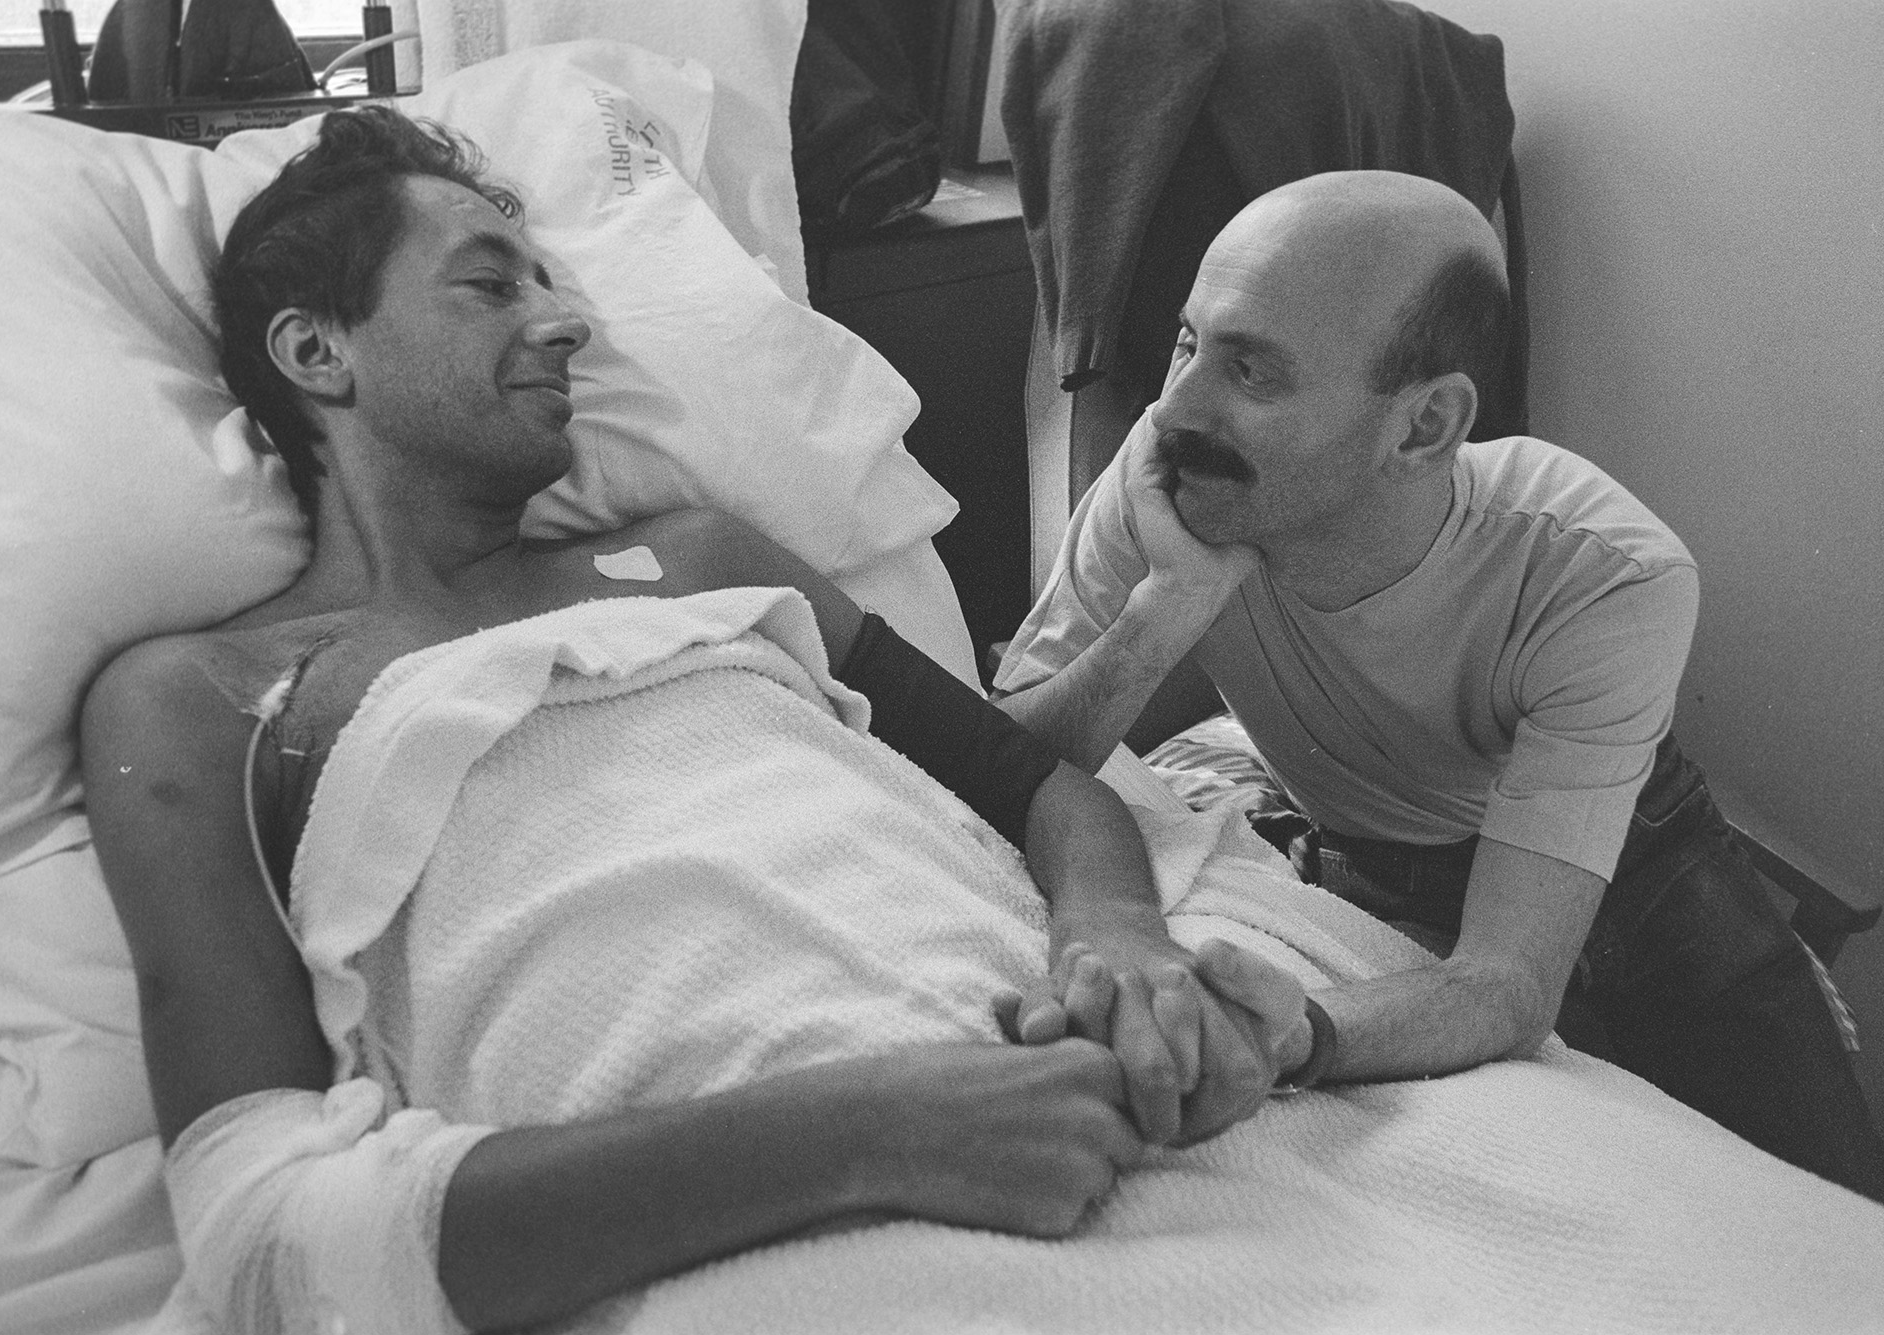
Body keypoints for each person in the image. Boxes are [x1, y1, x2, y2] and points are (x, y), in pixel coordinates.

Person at [78, 107, 1317, 1333]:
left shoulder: (702, 558)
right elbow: (261, 1239)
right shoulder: (208, 700)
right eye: (487, 287)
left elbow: (1035, 785)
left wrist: (1118, 941)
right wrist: (871, 1131)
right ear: (315, 353)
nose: (564, 322)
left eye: (551, 285)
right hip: (791, 1224)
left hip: (1096, 1096)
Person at [993, 169, 1884, 1200]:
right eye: (1187, 341)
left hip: (1650, 882)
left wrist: (1299, 1035)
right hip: (1373, 868)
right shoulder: (1172, 479)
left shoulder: (1598, 572)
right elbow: (997, 759)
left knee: (1835, 1213)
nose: (1171, 404)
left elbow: (1505, 982)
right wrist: (1157, 618)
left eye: (1251, 371)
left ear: (1420, 428)